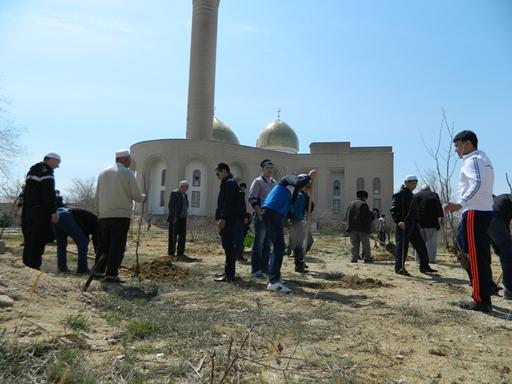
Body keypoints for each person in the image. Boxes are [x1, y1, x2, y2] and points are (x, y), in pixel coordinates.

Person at [445, 130, 494, 313]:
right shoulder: (483, 159)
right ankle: (484, 292)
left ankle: (481, 300)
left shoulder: (473, 160)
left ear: (467, 144)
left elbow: (477, 183)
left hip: (474, 212)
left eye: (457, 146)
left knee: (475, 257)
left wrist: (460, 203)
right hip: (483, 211)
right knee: (479, 255)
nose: (456, 150)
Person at [95, 150, 145, 283]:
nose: (130, 162)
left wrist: (98, 212)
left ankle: (99, 271)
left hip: (104, 215)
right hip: (121, 215)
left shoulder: (103, 172)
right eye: (129, 159)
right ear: (124, 159)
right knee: (117, 246)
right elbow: (136, 195)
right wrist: (143, 197)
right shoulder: (127, 173)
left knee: (103, 245)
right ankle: (111, 274)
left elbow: (97, 194)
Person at [261, 170, 316, 293]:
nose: (305, 188)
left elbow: (289, 210)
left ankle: (274, 277)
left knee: (279, 247)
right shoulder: (288, 179)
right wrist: (309, 176)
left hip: (276, 215)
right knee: (279, 246)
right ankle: (274, 281)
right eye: (306, 186)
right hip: (270, 213)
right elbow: (298, 182)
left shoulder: (293, 194)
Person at [390, 175, 438, 276]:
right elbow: (393, 210)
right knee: (402, 248)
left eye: (416, 184)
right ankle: (399, 268)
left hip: (414, 225)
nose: (414, 186)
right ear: (406, 182)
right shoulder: (398, 194)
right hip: (403, 225)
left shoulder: (412, 195)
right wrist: (398, 221)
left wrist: (417, 223)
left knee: (421, 246)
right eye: (413, 184)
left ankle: (424, 266)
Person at [21, 152, 61, 270]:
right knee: (38, 241)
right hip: (40, 213)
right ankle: (34, 268)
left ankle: (26, 266)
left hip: (27, 211)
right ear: (51, 160)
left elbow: (27, 192)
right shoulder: (46, 173)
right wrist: (53, 212)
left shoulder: (32, 171)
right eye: (58, 163)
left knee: (28, 241)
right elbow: (48, 195)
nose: (58, 166)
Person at [214, 163, 246, 282]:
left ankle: (229, 275)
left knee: (229, 247)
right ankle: (228, 271)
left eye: (218, 173)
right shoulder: (228, 183)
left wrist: (223, 218)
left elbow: (228, 203)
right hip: (229, 220)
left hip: (229, 221)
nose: (216, 176)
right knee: (228, 247)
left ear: (224, 171)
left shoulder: (229, 183)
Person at [248, 159, 277, 278]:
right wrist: (259, 212)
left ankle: (265, 268)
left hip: (271, 218)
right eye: (267, 168)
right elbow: (252, 198)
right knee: (258, 244)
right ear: (262, 168)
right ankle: (256, 269)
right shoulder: (258, 181)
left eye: (271, 168)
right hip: (261, 217)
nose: (270, 170)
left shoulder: (274, 183)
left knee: (268, 244)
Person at [53, 207, 98, 274]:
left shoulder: (94, 219)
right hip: (68, 217)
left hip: (57, 215)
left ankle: (62, 268)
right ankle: (82, 269)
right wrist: (98, 253)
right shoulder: (98, 224)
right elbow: (97, 242)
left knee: (61, 244)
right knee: (83, 242)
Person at [488, 194, 512, 300]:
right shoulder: (508, 197)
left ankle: (488, 286)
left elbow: (505, 227)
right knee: (507, 253)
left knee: (501, 251)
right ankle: (509, 290)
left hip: (483, 218)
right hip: (494, 218)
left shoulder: (499, 201)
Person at [414, 185, 444, 264]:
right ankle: (430, 260)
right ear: (429, 189)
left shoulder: (415, 195)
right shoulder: (434, 195)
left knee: (419, 242)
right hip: (431, 223)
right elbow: (438, 208)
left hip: (418, 224)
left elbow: (412, 210)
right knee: (431, 242)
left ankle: (418, 259)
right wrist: (441, 219)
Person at [288, 184, 314, 273]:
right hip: (297, 222)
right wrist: (303, 222)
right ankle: (299, 265)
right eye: (309, 188)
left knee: (307, 242)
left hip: (299, 221)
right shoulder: (300, 196)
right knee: (300, 244)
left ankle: (300, 261)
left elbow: (309, 208)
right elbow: (298, 211)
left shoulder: (304, 196)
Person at [167, 180, 194, 262]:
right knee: (173, 236)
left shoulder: (185, 195)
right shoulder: (175, 193)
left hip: (183, 219)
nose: (186, 188)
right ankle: (171, 253)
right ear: (182, 186)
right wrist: (174, 216)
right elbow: (171, 206)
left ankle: (180, 253)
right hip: (175, 218)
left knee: (182, 236)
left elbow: (186, 205)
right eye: (186, 187)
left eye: (187, 187)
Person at [346, 190, 375, 263]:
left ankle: (354, 258)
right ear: (365, 197)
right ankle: (367, 258)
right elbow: (366, 217)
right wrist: (372, 215)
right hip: (362, 228)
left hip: (352, 227)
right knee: (365, 244)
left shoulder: (351, 204)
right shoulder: (364, 204)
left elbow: (347, 216)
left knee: (354, 244)